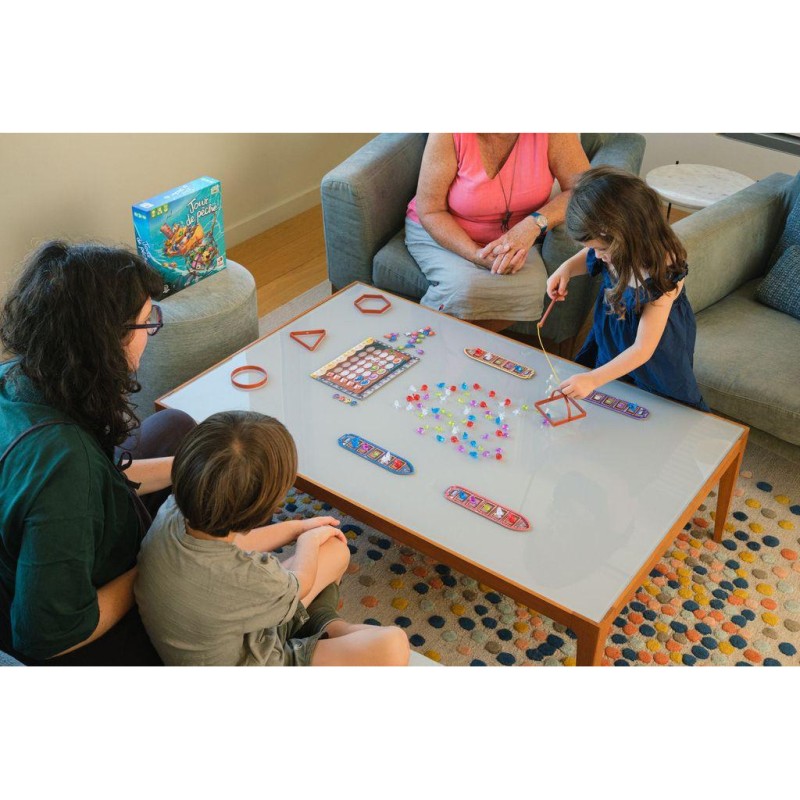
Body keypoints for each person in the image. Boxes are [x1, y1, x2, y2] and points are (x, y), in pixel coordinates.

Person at [0, 241, 196, 665]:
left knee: (176, 429)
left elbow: (97, 477)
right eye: (146, 323)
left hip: (33, 549)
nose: (149, 337)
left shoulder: (17, 376)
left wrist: (189, 468)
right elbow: (49, 637)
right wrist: (161, 565)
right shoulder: (64, 466)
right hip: (64, 639)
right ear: (109, 341)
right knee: (201, 614)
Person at [134, 410, 410, 666]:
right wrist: (307, 541)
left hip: (225, 625)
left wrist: (296, 528)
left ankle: (322, 625)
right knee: (393, 646)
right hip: (257, 659)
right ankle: (327, 626)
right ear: (261, 511)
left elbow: (231, 547)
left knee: (334, 549)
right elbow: (301, 584)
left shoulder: (171, 512)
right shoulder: (251, 579)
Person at [545, 166, 709, 410]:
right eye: (593, 249)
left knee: (658, 407)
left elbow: (643, 349)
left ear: (627, 235)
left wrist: (593, 379)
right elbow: (590, 253)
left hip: (655, 352)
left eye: (601, 249)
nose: (596, 256)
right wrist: (566, 269)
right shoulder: (612, 246)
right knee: (610, 394)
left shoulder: (664, 271)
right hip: (614, 333)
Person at [406, 133, 590, 331]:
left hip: (516, 239)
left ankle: (469, 347)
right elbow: (431, 211)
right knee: (464, 287)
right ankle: (423, 340)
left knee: (530, 288)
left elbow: (584, 190)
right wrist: (475, 254)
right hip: (444, 231)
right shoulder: (447, 134)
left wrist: (533, 225)